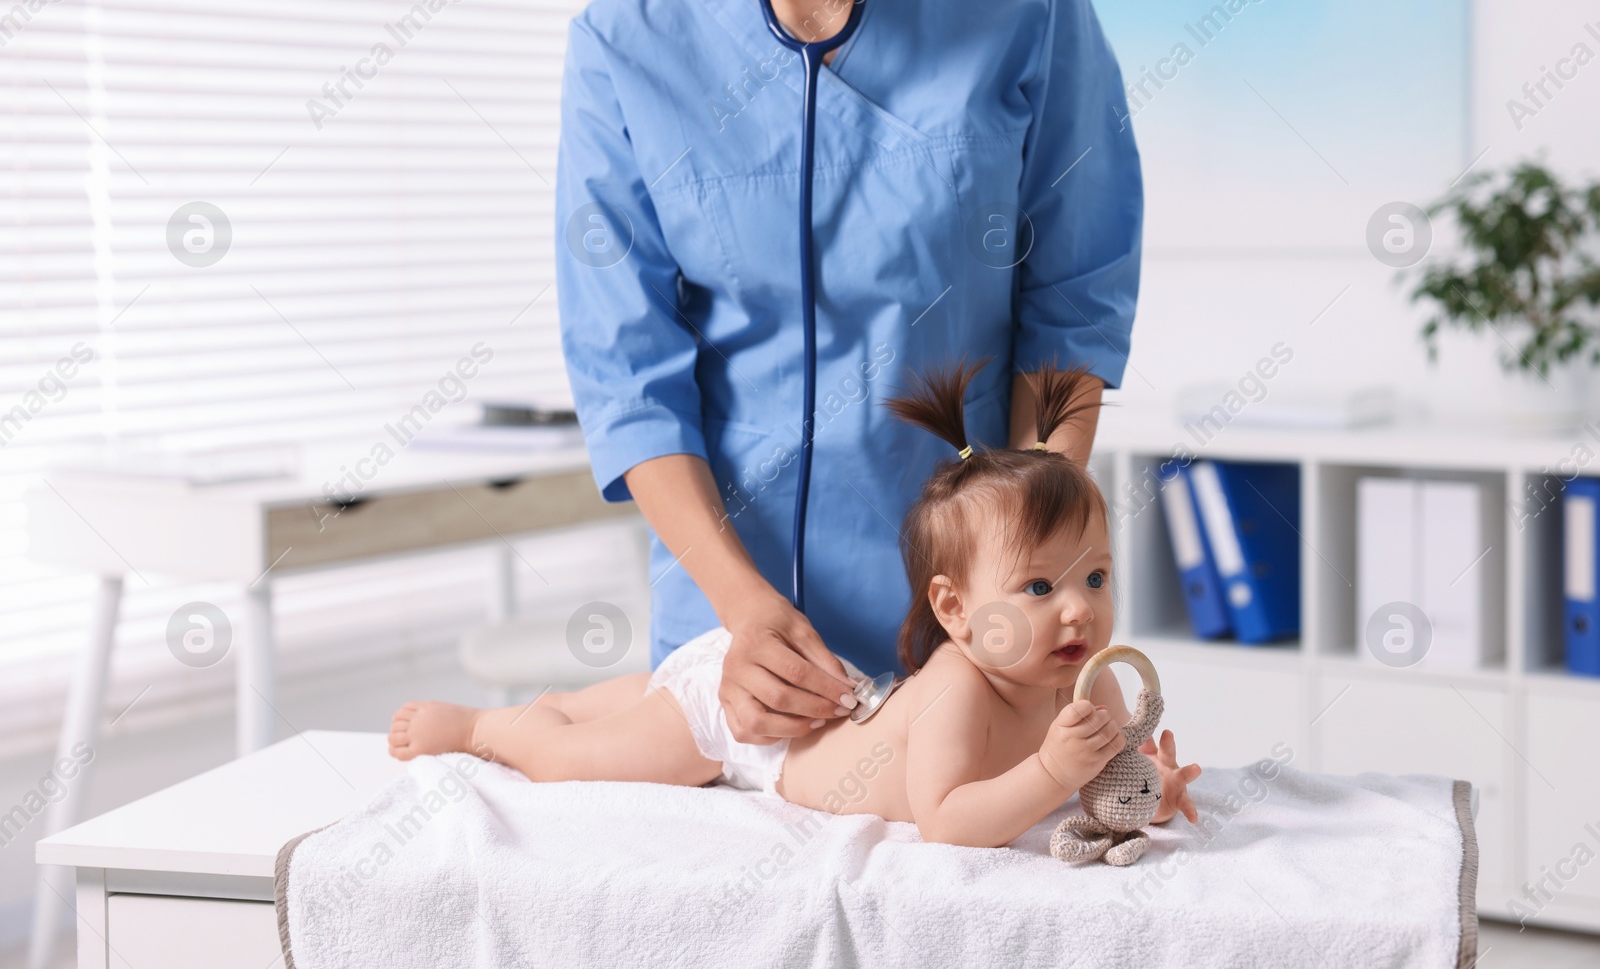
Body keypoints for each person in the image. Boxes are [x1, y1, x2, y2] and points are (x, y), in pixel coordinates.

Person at [554, 0, 1142, 746]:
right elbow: (629, 381)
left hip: (974, 639)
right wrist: (742, 609)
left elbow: (1071, 312)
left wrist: (1024, 583)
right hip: (735, 650)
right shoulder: (621, 46)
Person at [388, 363, 1198, 848]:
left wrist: (1144, 785)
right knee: (576, 758)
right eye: (1037, 587)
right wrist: (1054, 767)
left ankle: (571, 701)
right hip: (747, 736)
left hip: (819, 692)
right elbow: (949, 820)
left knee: (642, 698)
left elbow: (1099, 786)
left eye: (1095, 578)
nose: (1078, 612)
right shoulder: (958, 685)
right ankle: (485, 726)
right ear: (954, 610)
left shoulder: (1093, 682)